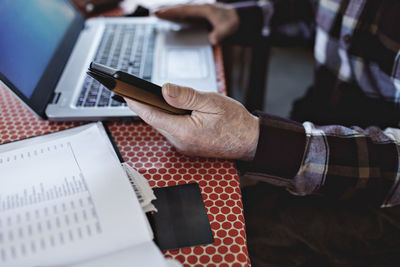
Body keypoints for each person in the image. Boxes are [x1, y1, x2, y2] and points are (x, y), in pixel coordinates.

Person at [125, 1, 400, 266]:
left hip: (383, 195)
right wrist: (237, 17)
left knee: (212, 240)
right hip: (321, 129)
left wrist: (256, 141)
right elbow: (318, 12)